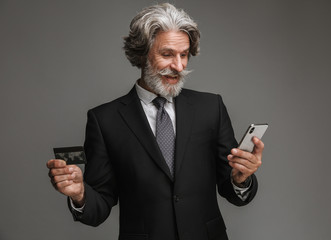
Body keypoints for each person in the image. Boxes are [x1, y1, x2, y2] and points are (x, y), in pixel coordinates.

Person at [47, 3, 264, 240]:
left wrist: (241, 179)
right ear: (142, 54)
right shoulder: (104, 120)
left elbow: (231, 190)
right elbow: (99, 206)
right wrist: (79, 194)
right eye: (167, 54)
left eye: (184, 55)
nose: (178, 67)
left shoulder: (211, 108)